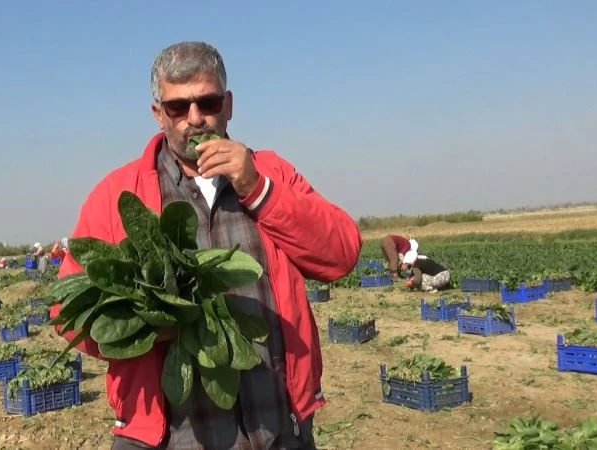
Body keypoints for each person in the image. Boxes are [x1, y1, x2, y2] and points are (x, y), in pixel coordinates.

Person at [49, 41, 362, 450]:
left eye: (208, 102)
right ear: (158, 114)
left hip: (277, 430)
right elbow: (66, 311)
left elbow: (341, 254)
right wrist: (146, 329)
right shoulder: (117, 193)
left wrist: (259, 189)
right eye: (178, 108)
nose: (195, 119)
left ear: (228, 105)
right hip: (165, 438)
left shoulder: (271, 173)